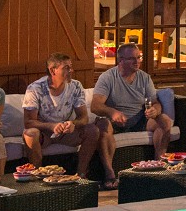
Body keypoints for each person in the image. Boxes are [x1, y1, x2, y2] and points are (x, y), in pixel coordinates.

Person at [22, 53, 116, 188]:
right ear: (52, 70)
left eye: (71, 67)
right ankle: (38, 176)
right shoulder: (35, 88)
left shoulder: (76, 86)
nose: (71, 70)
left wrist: (73, 124)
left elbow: (83, 117)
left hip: (66, 132)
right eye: (66, 68)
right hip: (44, 134)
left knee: (92, 130)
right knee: (30, 133)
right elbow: (28, 122)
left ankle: (81, 175)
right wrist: (51, 126)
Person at [90, 43, 173, 164]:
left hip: (140, 121)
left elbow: (156, 103)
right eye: (132, 58)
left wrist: (155, 110)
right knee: (103, 126)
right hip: (115, 124)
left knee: (165, 121)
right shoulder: (107, 77)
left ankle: (158, 163)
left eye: (138, 57)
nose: (137, 61)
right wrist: (112, 112)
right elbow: (95, 106)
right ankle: (109, 174)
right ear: (121, 60)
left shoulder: (144, 77)